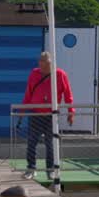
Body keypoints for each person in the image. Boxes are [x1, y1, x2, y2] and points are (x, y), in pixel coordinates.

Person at [21, 51, 74, 180]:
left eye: (44, 62)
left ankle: (50, 170)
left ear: (51, 63)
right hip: (36, 114)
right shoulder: (34, 74)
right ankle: (31, 168)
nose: (42, 65)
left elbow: (68, 94)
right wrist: (23, 110)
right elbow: (28, 93)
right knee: (32, 142)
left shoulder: (60, 75)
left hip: (51, 115)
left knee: (50, 143)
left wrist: (71, 112)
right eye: (40, 62)